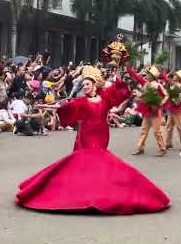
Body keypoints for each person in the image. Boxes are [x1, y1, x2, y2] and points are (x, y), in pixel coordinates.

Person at [16, 66, 170, 215]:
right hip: (87, 135)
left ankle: (103, 192)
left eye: (87, 84)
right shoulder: (82, 101)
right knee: (87, 162)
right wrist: (45, 105)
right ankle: (83, 194)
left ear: (95, 85)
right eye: (83, 85)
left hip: (102, 134)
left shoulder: (105, 98)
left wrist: (118, 75)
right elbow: (65, 106)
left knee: (102, 164)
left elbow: (122, 92)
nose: (85, 87)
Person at [127, 66, 169, 157]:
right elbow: (137, 77)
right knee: (143, 130)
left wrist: (160, 104)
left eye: (149, 74)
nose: (147, 75)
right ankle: (140, 148)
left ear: (153, 76)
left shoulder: (158, 85)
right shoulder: (145, 83)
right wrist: (129, 69)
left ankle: (162, 148)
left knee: (157, 132)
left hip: (155, 111)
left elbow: (166, 96)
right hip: (147, 111)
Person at [165, 70, 181, 152]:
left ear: (179, 78)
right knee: (168, 127)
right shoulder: (171, 85)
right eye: (174, 75)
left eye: (176, 75)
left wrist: (180, 100)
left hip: (177, 109)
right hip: (171, 108)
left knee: (180, 127)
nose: (174, 76)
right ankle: (168, 143)